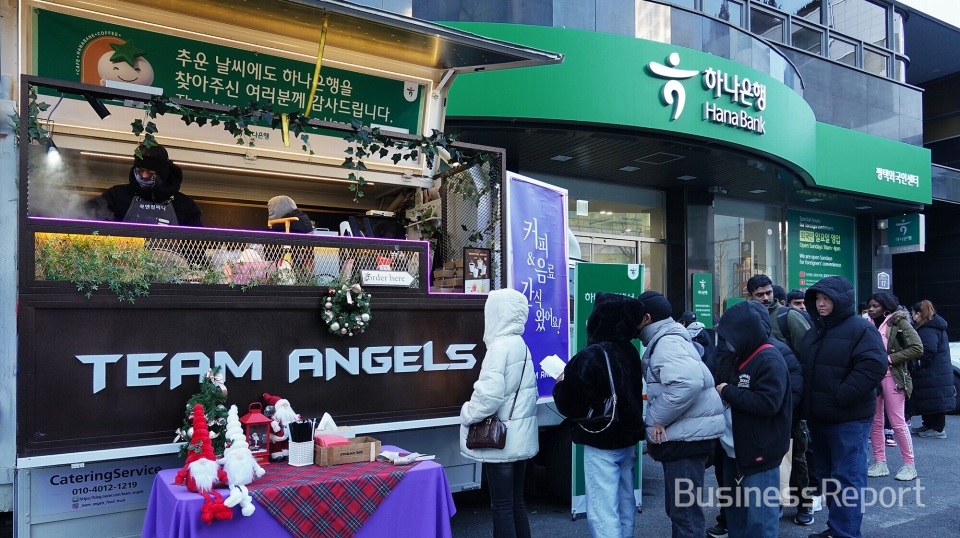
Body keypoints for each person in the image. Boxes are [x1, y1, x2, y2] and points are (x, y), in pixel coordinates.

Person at [796, 276, 887, 538]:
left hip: (849, 418)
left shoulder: (860, 328)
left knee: (847, 478)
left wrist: (840, 396)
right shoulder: (816, 330)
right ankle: (836, 528)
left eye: (827, 299)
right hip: (819, 417)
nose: (821, 304)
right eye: (818, 299)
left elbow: (873, 367)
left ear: (841, 301)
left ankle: (845, 533)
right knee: (827, 477)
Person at [553, 292, 646, 538]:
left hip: (601, 440)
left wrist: (561, 383)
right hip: (628, 439)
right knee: (626, 503)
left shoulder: (591, 355)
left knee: (603, 511)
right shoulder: (630, 350)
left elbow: (569, 404)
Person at [636, 291, 724, 538]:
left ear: (646, 318)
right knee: (681, 511)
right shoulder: (667, 338)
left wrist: (656, 421)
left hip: (687, 441)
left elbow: (686, 384)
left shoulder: (667, 342)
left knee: (685, 516)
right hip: (687, 436)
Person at [460, 288, 538, 538]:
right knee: (517, 503)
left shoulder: (498, 347)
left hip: (501, 441)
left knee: (501, 507)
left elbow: (489, 396)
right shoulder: (521, 344)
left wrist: (467, 413)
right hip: (521, 436)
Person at [715, 300, 791, 538]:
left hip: (759, 453)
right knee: (736, 517)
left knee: (761, 521)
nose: (727, 341)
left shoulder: (769, 359)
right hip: (732, 451)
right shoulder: (738, 355)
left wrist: (728, 391)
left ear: (745, 331)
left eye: (730, 335)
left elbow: (768, 404)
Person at [746, 274, 813, 525]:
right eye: (760, 294)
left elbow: (807, 357)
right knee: (769, 456)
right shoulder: (747, 315)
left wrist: (799, 398)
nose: (766, 298)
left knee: (797, 454)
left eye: (768, 293)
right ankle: (774, 502)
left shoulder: (788, 316)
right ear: (749, 295)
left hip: (790, 398)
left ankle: (804, 504)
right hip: (761, 400)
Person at [865, 292, 922, 481]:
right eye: (869, 306)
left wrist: (889, 359)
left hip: (893, 376)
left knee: (897, 422)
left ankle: (909, 465)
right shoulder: (867, 323)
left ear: (886, 307)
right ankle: (880, 462)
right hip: (873, 377)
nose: (871, 309)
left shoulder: (898, 322)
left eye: (875, 306)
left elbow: (917, 347)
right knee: (875, 421)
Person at [89, 144, 202, 226]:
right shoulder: (116, 196)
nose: (144, 176)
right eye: (139, 171)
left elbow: (195, 248)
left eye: (151, 173)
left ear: (163, 174)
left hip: (171, 259)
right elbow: (83, 215)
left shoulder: (186, 206)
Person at [909, 300, 957, 439]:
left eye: (913, 314)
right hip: (935, 371)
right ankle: (929, 425)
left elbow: (928, 350)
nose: (912, 317)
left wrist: (919, 364)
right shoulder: (931, 326)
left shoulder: (928, 329)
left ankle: (937, 429)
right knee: (930, 399)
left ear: (919, 313)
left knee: (935, 400)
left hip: (933, 372)